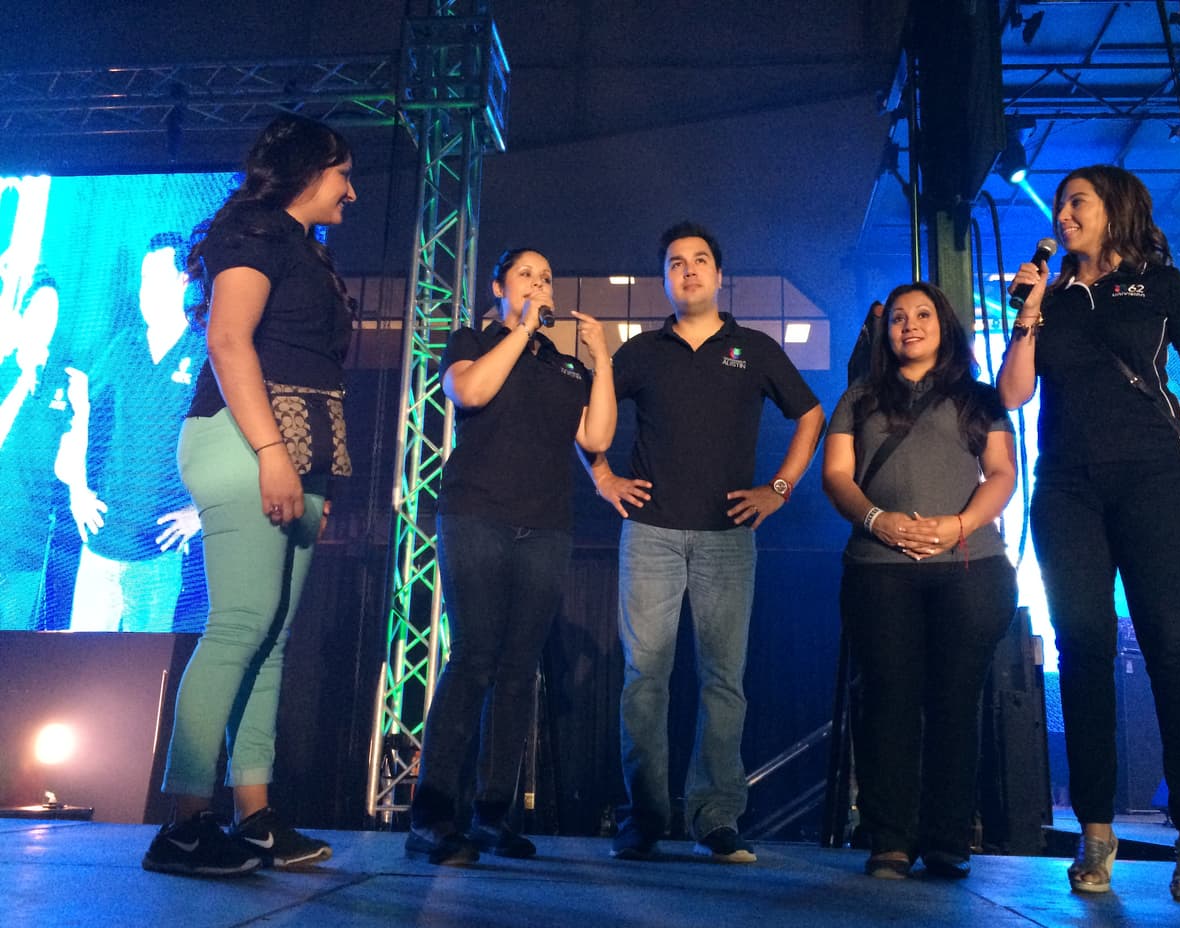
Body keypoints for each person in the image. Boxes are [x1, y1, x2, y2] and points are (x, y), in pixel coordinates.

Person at [996, 164, 1180, 901]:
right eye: (1060, 203)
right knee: (1084, 647)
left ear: (1116, 208)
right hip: (1067, 489)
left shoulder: (1160, 285)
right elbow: (1012, 393)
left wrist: (1162, 440)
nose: (1063, 214)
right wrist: (1030, 311)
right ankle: (1095, 832)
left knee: (1171, 644)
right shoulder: (1051, 295)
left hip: (1156, 486)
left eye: (1078, 201)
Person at [142, 113, 358, 877]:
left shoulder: (301, 245)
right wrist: (272, 454)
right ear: (306, 170)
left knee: (271, 637)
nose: (353, 192)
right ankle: (183, 826)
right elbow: (229, 340)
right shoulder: (255, 230)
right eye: (343, 175)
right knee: (239, 627)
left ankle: (256, 817)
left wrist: (312, 473)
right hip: (244, 442)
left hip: (298, 456)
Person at [587, 221, 825, 862]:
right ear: (664, 279)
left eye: (699, 261)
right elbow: (589, 418)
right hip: (650, 534)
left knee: (724, 680)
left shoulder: (753, 348)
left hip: (727, 538)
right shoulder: (641, 350)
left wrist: (779, 488)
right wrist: (602, 476)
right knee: (645, 679)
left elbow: (810, 414)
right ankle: (644, 817)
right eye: (675, 262)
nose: (688, 270)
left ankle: (716, 817)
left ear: (720, 276)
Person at [404, 248, 616, 865]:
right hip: (477, 514)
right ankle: (432, 815)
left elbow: (596, 436)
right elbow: (469, 391)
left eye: (547, 277)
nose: (540, 284)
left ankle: (493, 814)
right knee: (474, 657)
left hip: (546, 525)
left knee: (520, 669)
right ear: (498, 286)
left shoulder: (565, 364)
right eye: (526, 274)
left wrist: (601, 360)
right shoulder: (473, 339)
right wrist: (521, 330)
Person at [822, 282, 1017, 879]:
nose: (909, 325)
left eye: (923, 314)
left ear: (944, 325)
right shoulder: (858, 398)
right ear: (884, 333)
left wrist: (958, 525)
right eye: (899, 317)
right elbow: (836, 475)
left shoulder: (980, 398)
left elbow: (1002, 473)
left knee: (957, 703)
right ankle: (889, 839)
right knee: (887, 701)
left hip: (970, 569)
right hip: (878, 571)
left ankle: (948, 840)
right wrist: (877, 521)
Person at [56, 233, 205, 631]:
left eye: (155, 278)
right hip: (100, 545)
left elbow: (234, 445)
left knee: (145, 663)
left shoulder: (203, 354)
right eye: (142, 279)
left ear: (183, 282)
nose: (144, 291)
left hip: (158, 556)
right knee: (82, 662)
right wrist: (77, 491)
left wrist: (201, 512)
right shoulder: (124, 346)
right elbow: (79, 414)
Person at [0, 270, 66, 628]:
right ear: (23, 315)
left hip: (28, 545)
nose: (45, 322)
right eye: (39, 310)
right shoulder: (4, 369)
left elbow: (63, 463)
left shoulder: (63, 381)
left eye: (52, 314)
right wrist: (20, 383)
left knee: (13, 643)